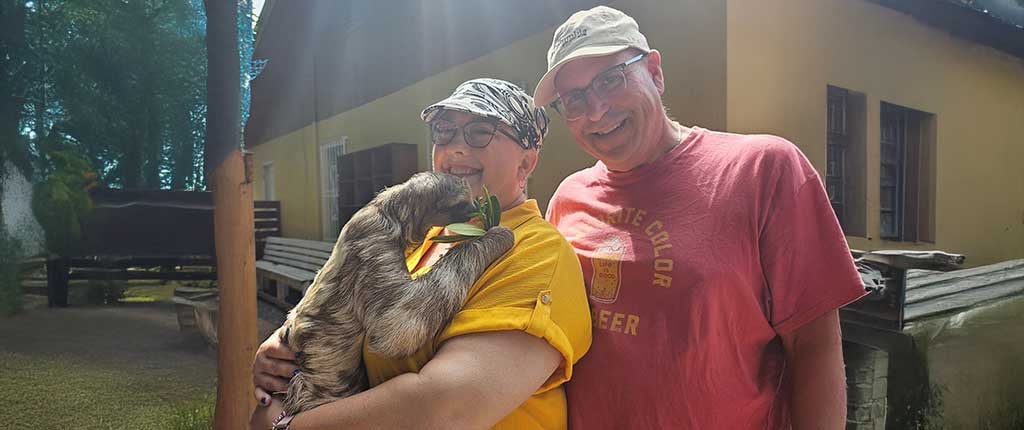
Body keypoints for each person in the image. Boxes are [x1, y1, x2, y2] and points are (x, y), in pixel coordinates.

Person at [532, 6, 867, 429]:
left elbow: (813, 346)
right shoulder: (567, 199)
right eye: (574, 99)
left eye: (610, 80)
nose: (595, 111)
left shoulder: (763, 170)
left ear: (654, 72)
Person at [250, 78, 591, 429]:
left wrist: (283, 427)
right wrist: (283, 348)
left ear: (526, 163)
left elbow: (446, 409)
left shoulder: (539, 252)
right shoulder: (429, 240)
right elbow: (342, 309)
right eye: (444, 131)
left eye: (480, 132)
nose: (455, 148)